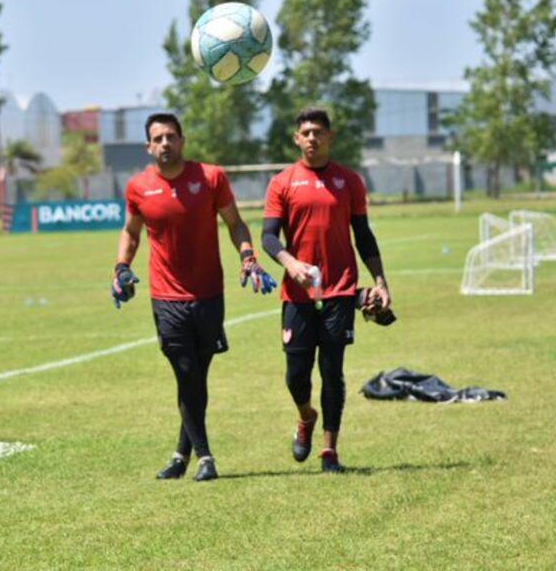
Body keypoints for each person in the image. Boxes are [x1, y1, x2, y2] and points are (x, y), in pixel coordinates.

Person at [112, 112, 277, 482]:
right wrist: (121, 265)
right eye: (158, 138)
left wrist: (247, 255)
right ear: (148, 146)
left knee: (196, 378)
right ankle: (205, 457)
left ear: (182, 141)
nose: (165, 143)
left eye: (171, 136)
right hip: (166, 298)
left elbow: (235, 223)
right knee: (185, 372)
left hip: (208, 294)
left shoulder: (211, 177)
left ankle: (179, 455)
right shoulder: (138, 187)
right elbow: (131, 232)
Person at [261, 107, 391, 473]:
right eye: (306, 132)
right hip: (298, 296)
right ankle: (306, 416)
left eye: (319, 131)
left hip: (339, 291)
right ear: (297, 139)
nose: (313, 138)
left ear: (330, 137)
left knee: (332, 372)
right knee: (296, 376)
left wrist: (380, 280)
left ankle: (329, 452)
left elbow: (363, 235)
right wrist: (291, 264)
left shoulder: (349, 181)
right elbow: (268, 237)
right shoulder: (282, 183)